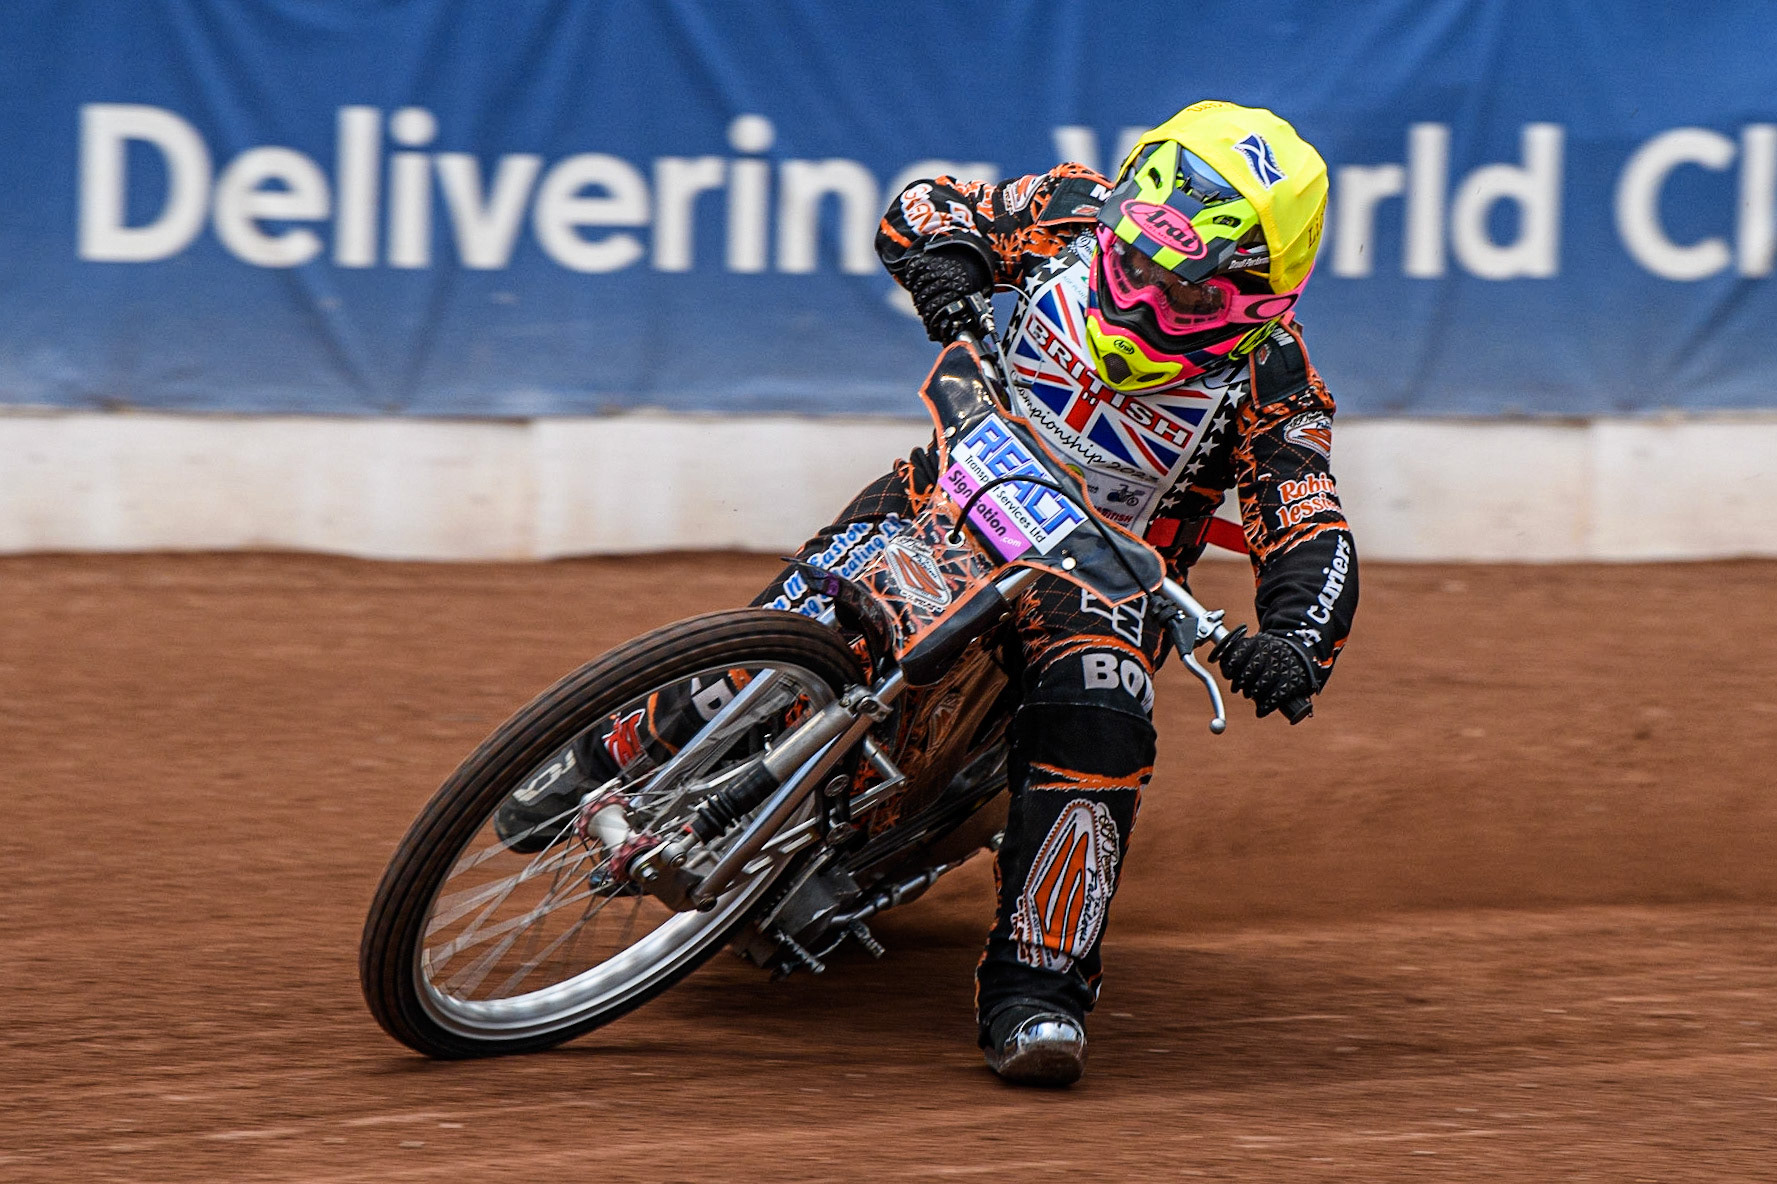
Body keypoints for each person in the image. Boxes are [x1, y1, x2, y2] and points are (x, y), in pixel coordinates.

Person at [755, 100, 1359, 1085]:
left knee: (1105, 714)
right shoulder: (1070, 208)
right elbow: (928, 206)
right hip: (958, 491)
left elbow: (1309, 522)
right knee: (821, 593)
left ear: (1258, 288)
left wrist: (1295, 642)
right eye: (1139, 257)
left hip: (1103, 583)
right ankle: (621, 738)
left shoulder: (1273, 376)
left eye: (1189, 288)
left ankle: (1034, 993)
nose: (1153, 291)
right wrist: (946, 270)